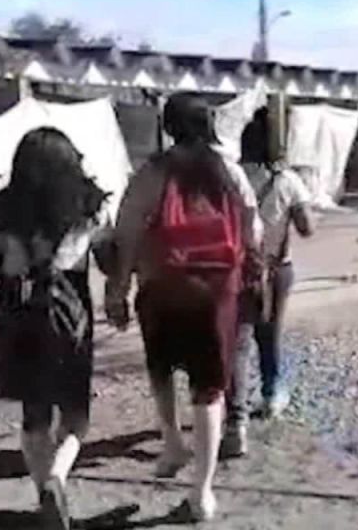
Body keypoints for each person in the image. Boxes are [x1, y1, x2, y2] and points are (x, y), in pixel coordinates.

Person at [106, 94, 261, 523]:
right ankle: (202, 492)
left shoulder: (153, 171)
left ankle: (172, 441)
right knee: (209, 388)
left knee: (161, 367)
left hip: (161, 285)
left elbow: (128, 229)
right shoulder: (228, 170)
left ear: (168, 125)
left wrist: (117, 287)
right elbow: (253, 228)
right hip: (216, 291)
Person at [0, 127, 113, 530]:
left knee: (34, 413)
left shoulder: (0, 208)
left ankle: (41, 495)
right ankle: (58, 477)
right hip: (69, 309)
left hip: (17, 309)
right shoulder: (90, 205)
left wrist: (10, 260)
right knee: (75, 414)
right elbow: (107, 256)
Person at [223, 109, 314, 458]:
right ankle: (272, 394)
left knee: (239, 340)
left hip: (236, 268)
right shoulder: (288, 181)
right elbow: (307, 228)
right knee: (270, 334)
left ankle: (237, 416)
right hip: (276, 268)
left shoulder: (232, 176)